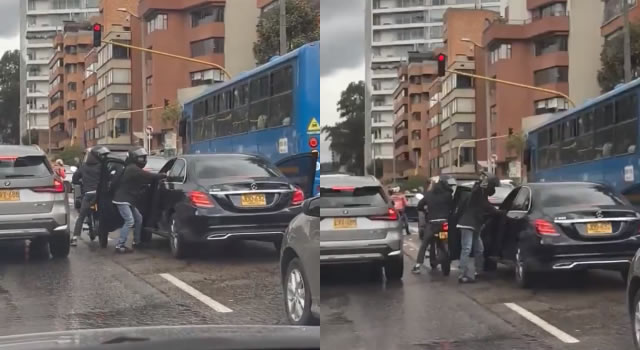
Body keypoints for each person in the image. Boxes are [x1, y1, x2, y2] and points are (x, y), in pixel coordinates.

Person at [112, 147, 166, 253]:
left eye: (143, 158)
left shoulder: (132, 168)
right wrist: (163, 175)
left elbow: (143, 179)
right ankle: (120, 245)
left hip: (128, 200)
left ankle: (137, 242)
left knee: (139, 218)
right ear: (134, 158)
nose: (143, 161)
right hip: (123, 199)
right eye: (140, 158)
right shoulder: (133, 168)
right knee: (129, 220)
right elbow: (149, 176)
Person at [455, 171, 501, 283]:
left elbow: (488, 207)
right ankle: (462, 274)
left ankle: (478, 271)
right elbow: (487, 205)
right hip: (467, 224)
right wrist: (483, 181)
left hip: (475, 225)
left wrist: (499, 212)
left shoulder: (482, 196)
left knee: (479, 249)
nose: (493, 190)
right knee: (467, 248)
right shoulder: (477, 193)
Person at [412, 176, 455, 274]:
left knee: (424, 244)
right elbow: (452, 206)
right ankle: (447, 258)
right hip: (444, 222)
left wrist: (426, 211)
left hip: (432, 223)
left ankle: (418, 265)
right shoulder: (448, 195)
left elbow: (419, 206)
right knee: (445, 241)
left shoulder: (429, 194)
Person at [70, 146, 110, 246]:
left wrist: (79, 182)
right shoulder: (101, 166)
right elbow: (107, 178)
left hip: (88, 194)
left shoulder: (83, 166)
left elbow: (75, 179)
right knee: (104, 213)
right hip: (99, 194)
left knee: (81, 216)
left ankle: (74, 238)